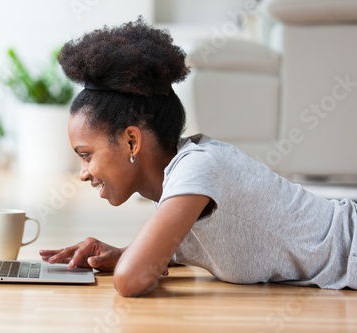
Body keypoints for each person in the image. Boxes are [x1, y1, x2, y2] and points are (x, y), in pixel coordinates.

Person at [39, 17, 357, 297]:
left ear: (131, 141)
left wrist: (131, 262)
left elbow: (131, 280)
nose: (83, 173)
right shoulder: (174, 181)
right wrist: (122, 253)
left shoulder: (197, 168)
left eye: (86, 155)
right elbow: (169, 254)